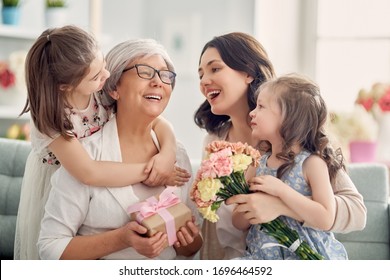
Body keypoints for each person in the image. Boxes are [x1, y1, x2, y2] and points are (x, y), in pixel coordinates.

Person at [14, 25, 190, 260]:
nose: (105, 77)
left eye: (104, 67)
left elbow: (159, 122)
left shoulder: (96, 90)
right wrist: (151, 173)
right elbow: (89, 172)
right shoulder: (54, 123)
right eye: (145, 72)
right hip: (66, 169)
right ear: (66, 86)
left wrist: (167, 154)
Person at [194, 32, 366, 259]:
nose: (204, 81)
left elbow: (357, 212)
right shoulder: (215, 143)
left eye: (215, 69)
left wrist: (280, 204)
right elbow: (221, 225)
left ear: (248, 72)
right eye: (200, 74)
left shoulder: (294, 143)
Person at [232, 74, 348, 259]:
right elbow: (238, 223)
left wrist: (280, 191)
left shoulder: (312, 164)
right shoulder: (257, 164)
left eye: (261, 107)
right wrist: (249, 206)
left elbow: (326, 218)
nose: (252, 113)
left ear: (289, 119)